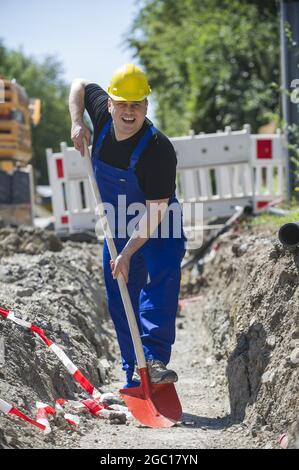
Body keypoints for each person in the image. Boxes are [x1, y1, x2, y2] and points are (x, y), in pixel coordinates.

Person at [69, 64, 186, 388]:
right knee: (120, 291)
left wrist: (129, 252)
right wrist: (78, 123)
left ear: (146, 106)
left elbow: (156, 211)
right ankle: (134, 370)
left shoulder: (158, 149)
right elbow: (79, 83)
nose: (129, 112)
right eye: (123, 104)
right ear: (110, 103)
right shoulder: (102, 117)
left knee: (162, 273)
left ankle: (154, 358)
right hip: (117, 220)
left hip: (158, 220)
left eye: (137, 104)